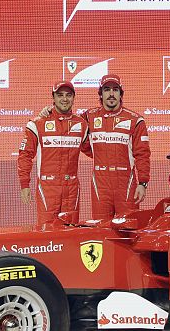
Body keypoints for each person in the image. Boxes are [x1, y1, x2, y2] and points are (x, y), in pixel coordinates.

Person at [18, 81, 89, 226]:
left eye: (69, 95)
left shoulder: (82, 124)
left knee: (71, 233)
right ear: (53, 98)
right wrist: (24, 185)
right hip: (48, 188)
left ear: (74, 98)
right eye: (60, 95)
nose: (64, 99)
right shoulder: (37, 123)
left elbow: (96, 151)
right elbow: (25, 156)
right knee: (47, 234)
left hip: (71, 188)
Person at [83, 74, 151, 219]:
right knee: (101, 230)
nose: (111, 94)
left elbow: (142, 154)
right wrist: (49, 111)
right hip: (100, 184)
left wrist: (143, 183)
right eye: (107, 90)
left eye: (115, 89)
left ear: (121, 94)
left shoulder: (135, 120)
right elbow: (69, 125)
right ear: (101, 94)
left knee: (128, 229)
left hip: (125, 182)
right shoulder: (89, 117)